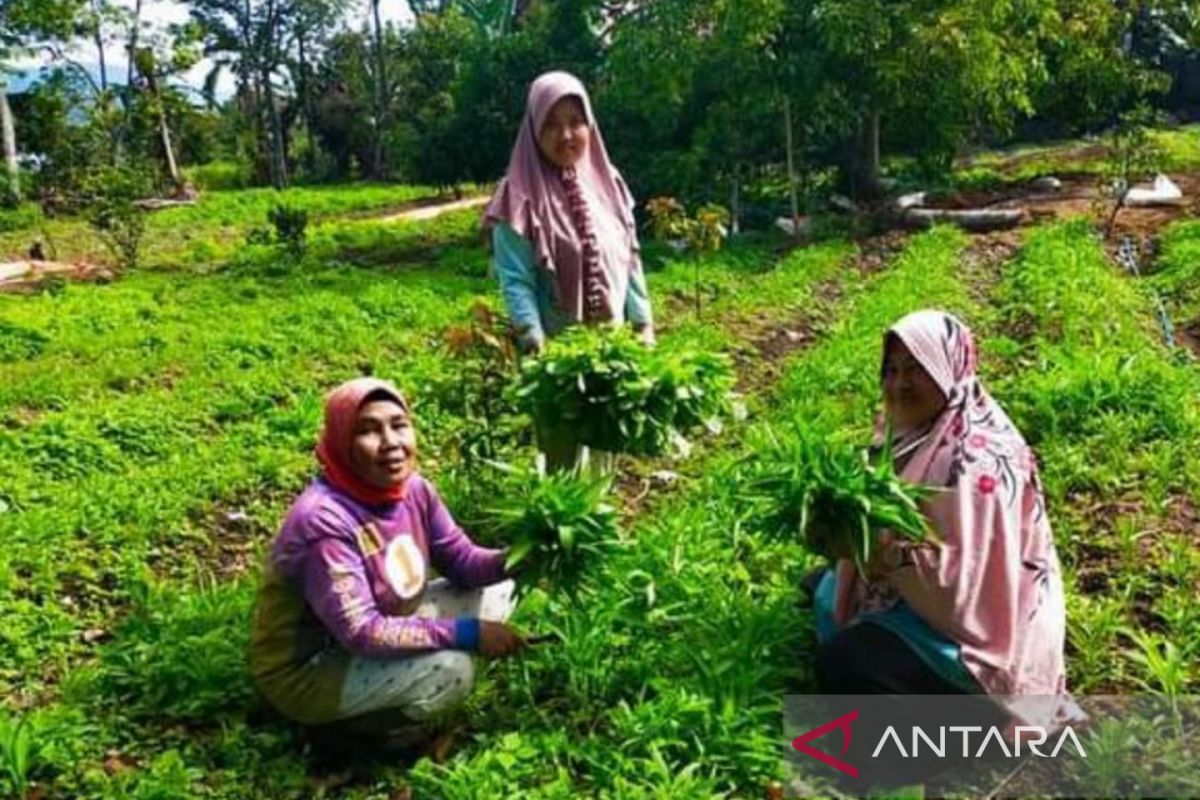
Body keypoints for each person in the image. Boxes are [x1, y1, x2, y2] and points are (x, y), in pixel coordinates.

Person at [250, 377, 523, 757]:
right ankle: (347, 735)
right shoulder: (324, 522)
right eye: (368, 430)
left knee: (499, 591)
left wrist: (520, 557)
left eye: (399, 424)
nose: (391, 442)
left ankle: (395, 688)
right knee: (452, 670)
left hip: (384, 620)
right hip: (312, 667)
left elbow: (462, 561)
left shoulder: (413, 490)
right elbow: (362, 632)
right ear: (342, 442)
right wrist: (469, 633)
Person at [484, 70, 654, 475]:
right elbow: (516, 278)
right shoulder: (518, 193)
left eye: (576, 122)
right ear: (533, 129)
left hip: (611, 346)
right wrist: (535, 343)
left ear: (590, 125)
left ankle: (600, 524)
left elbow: (630, 258)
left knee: (605, 445)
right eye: (552, 125)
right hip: (556, 354)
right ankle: (565, 533)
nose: (566, 135)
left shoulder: (609, 183)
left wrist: (642, 323)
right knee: (561, 459)